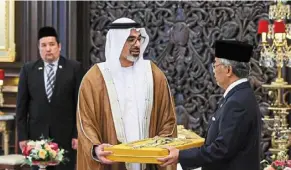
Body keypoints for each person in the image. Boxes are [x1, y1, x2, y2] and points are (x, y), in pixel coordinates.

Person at [76, 17, 177, 170]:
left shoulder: (153, 74)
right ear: (117, 41)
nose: (137, 44)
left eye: (138, 39)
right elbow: (86, 122)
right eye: (130, 39)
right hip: (112, 163)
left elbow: (167, 118)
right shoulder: (95, 78)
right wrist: (95, 148)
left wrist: (162, 145)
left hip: (149, 163)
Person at [158, 40, 261, 170]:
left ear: (228, 70)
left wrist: (181, 155)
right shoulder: (241, 95)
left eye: (215, 65)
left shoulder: (237, 101)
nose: (213, 71)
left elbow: (222, 149)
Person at [16, 26, 84, 170]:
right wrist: (22, 136)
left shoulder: (74, 68)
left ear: (59, 46)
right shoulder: (28, 70)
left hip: (65, 138)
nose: (48, 49)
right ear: (39, 48)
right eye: (44, 45)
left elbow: (80, 105)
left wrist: (77, 135)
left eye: (52, 45)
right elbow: (21, 106)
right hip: (37, 140)